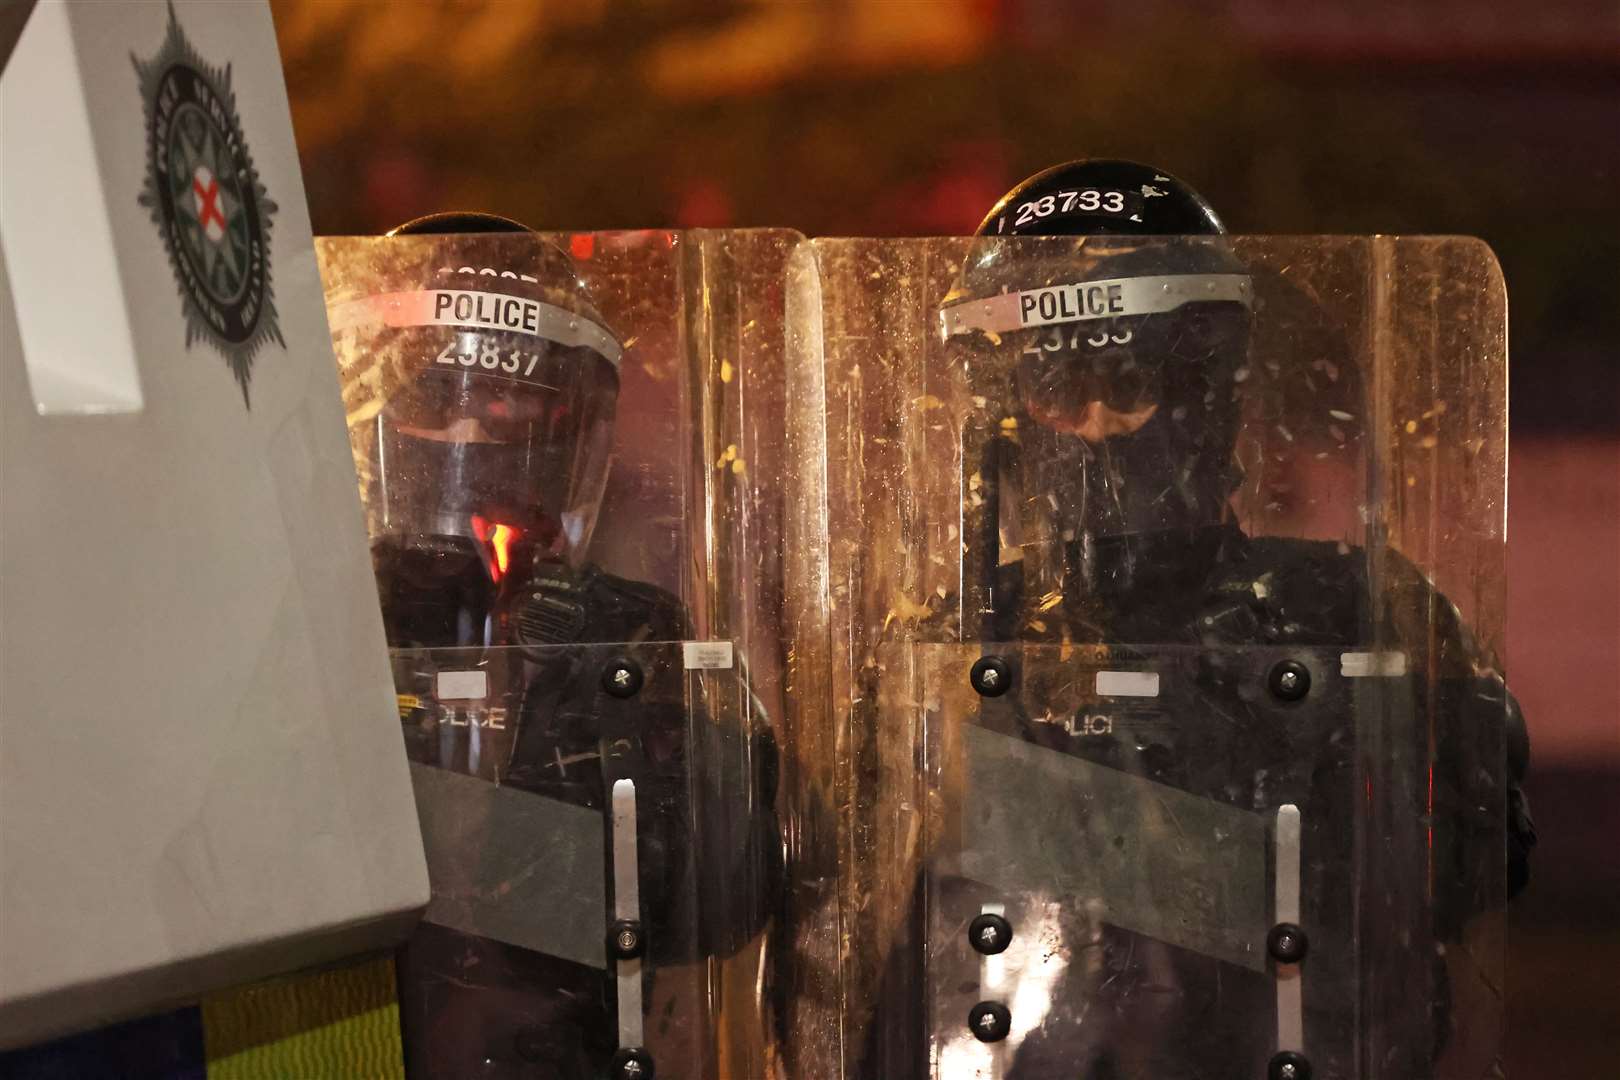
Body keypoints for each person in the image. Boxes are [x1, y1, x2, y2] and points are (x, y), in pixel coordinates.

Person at [862, 160, 1532, 1079]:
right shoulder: (950, 645)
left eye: (1130, 378)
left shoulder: (1350, 612)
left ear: (1210, 390)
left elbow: (1464, 876)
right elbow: (878, 970)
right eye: (1057, 387)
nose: (1095, 425)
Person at [328, 212, 781, 1079]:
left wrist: (587, 691)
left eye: (507, 403)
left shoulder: (634, 628)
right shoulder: (314, 623)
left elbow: (727, 896)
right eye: (431, 401)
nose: (471, 441)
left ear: (570, 422)